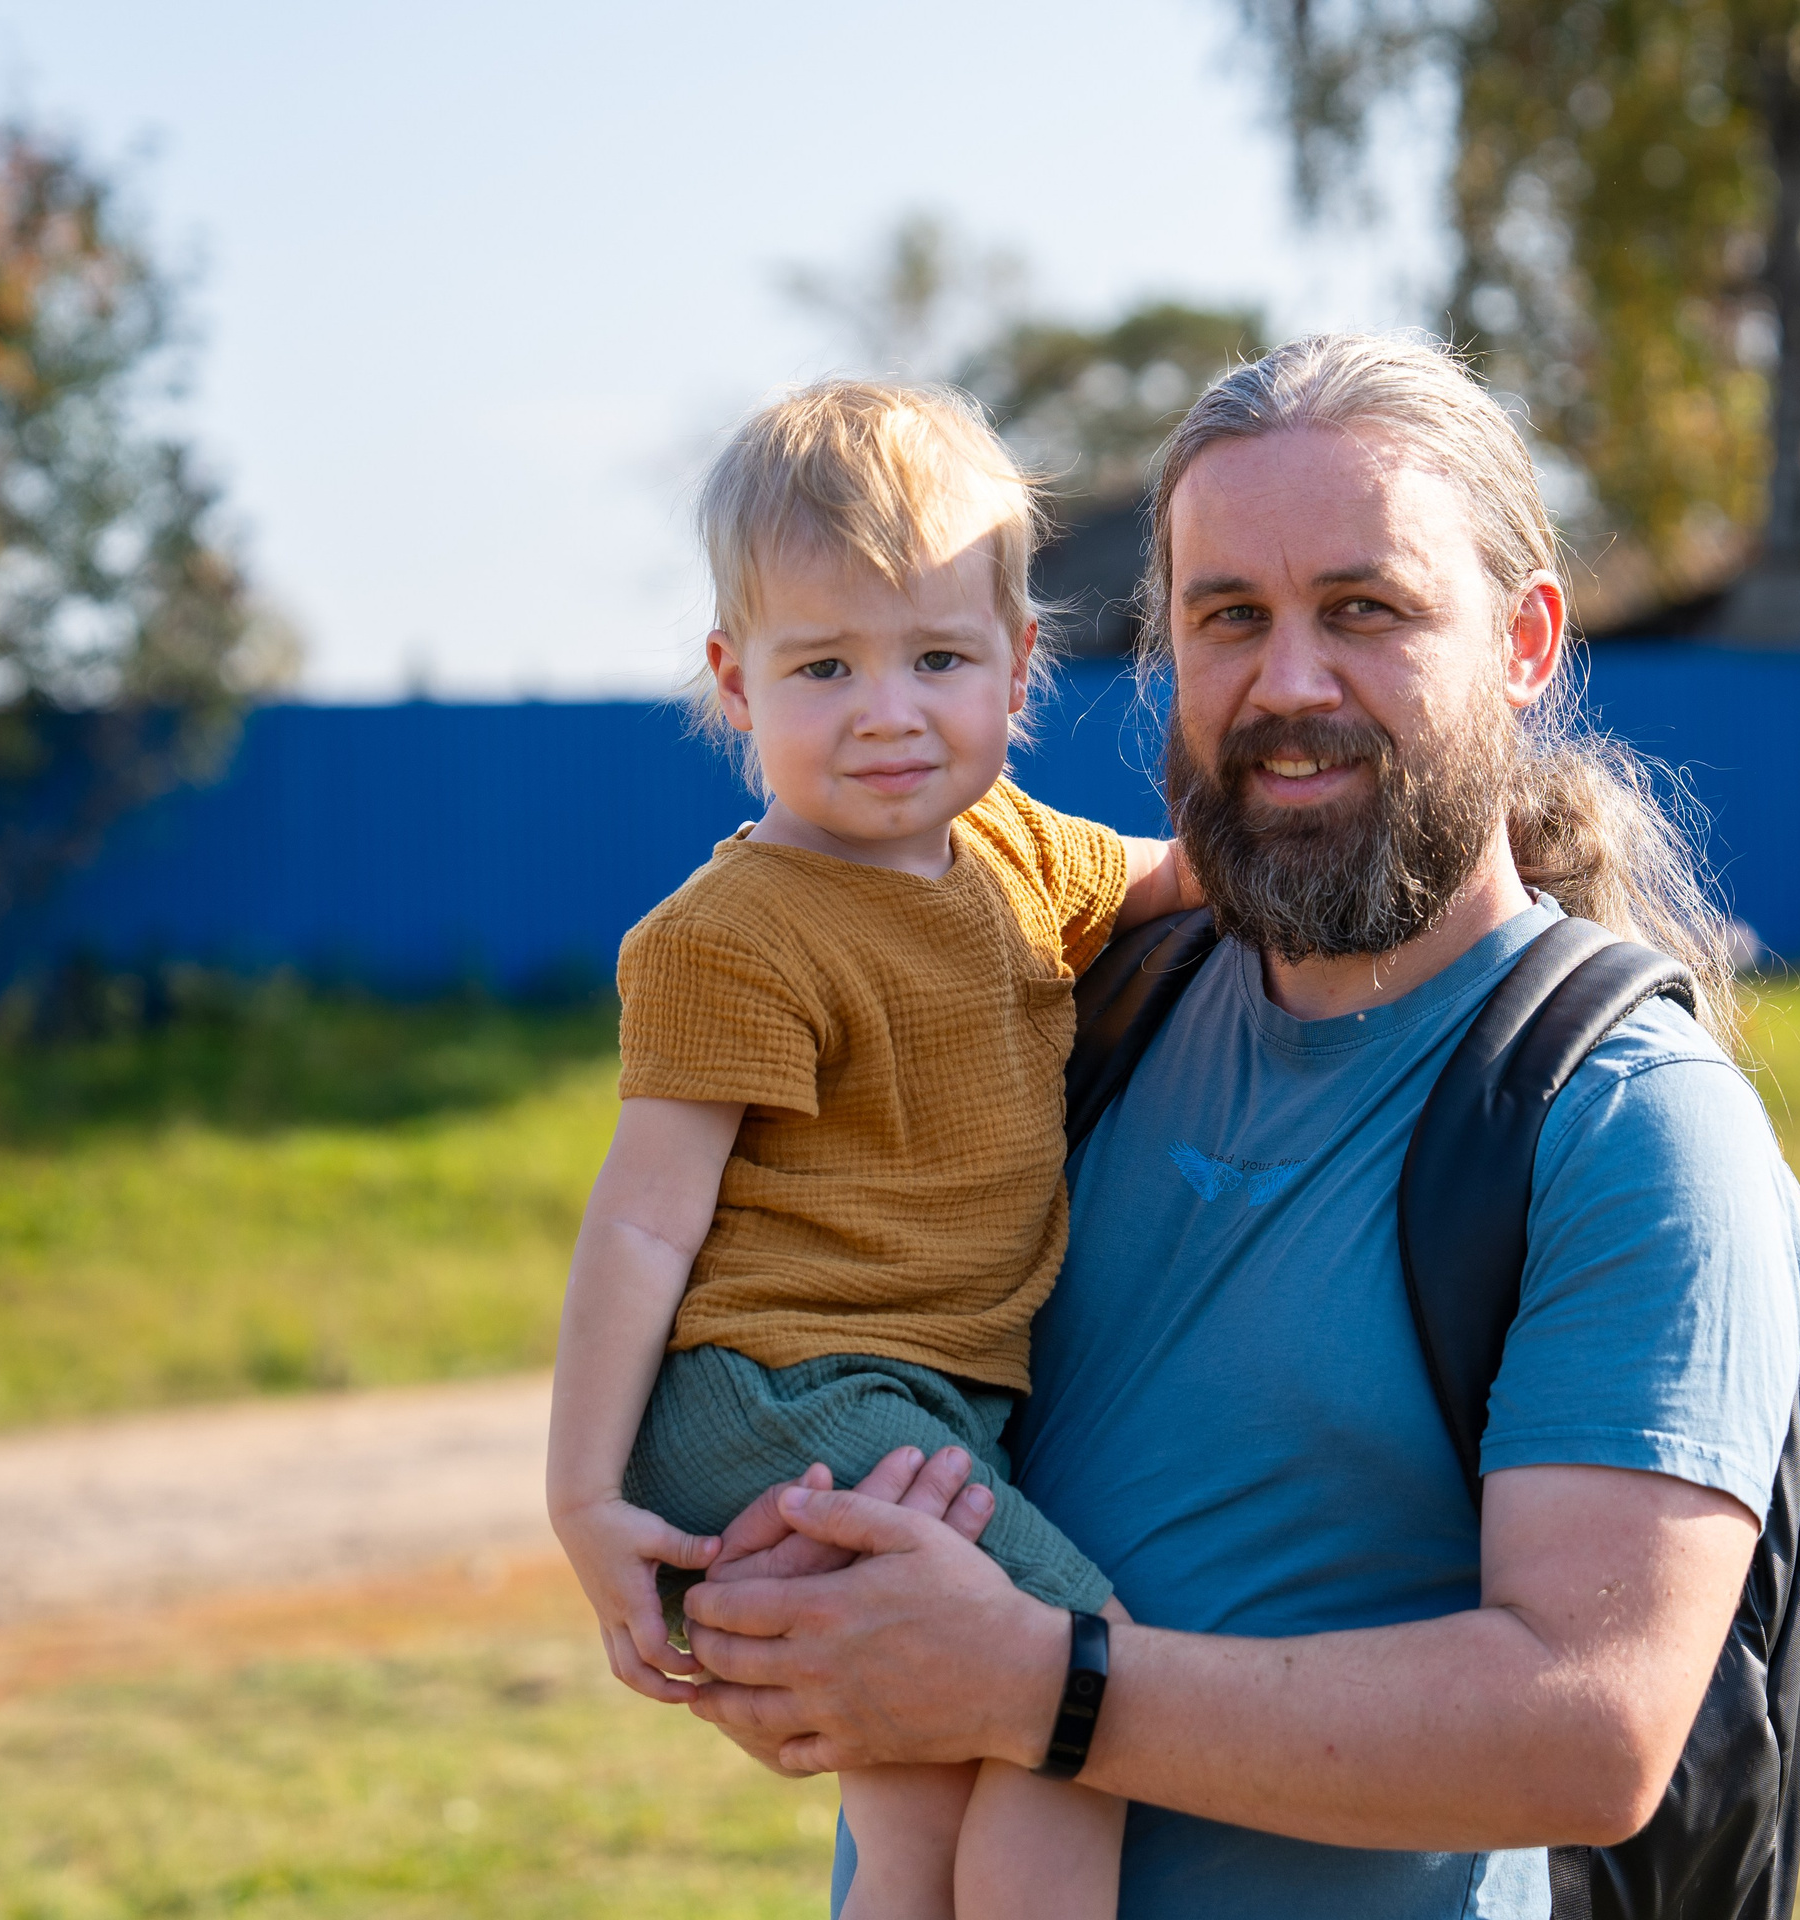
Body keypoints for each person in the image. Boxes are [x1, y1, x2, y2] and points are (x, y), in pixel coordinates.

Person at [679, 333, 1800, 1920]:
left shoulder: (1622, 1124)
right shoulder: (1085, 1001)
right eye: (1230, 619)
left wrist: (1037, 1689)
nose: (1289, 684)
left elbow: (1594, 1722)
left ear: (1526, 641)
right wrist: (801, 1627)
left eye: (1366, 610)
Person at [543, 379, 1196, 1920]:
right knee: (1067, 1698)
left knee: (918, 1793)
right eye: (824, 664)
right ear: (733, 680)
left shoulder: (1022, 852)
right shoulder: (735, 935)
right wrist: (581, 1504)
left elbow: (1205, 882)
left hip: (910, 1401)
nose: (888, 711)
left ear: (1021, 667)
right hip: (789, 1392)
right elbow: (640, 1229)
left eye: (938, 658)